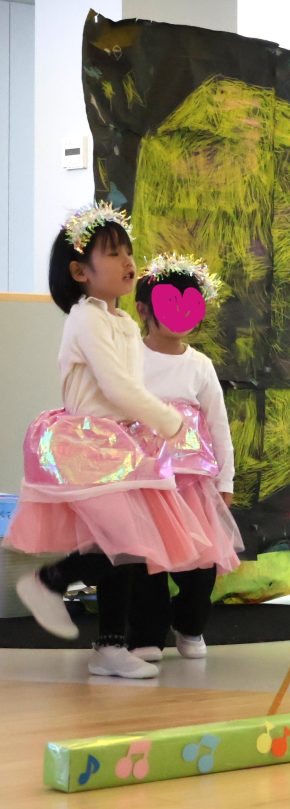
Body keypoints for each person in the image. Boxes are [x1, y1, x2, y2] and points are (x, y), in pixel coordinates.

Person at [5, 203, 209, 678]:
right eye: (113, 254)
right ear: (81, 272)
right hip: (87, 444)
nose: (127, 261)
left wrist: (148, 429)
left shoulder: (123, 323)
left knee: (121, 547)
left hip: (118, 445)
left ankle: (109, 645)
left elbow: (129, 387)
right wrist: (168, 421)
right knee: (123, 542)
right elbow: (117, 387)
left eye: (128, 252)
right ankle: (49, 582)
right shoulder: (86, 318)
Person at [127, 254, 244, 661]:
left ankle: (189, 625)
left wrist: (225, 480)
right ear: (144, 309)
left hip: (192, 484)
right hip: (144, 482)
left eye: (190, 304)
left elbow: (218, 425)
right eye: (168, 303)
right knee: (148, 562)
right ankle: (146, 635)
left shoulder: (200, 366)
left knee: (201, 563)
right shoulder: (129, 358)